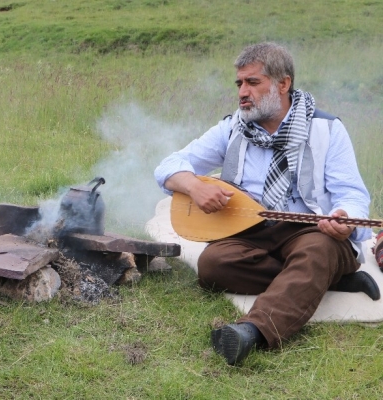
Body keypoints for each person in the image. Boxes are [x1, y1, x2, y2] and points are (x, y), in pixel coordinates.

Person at [154, 42, 380, 365]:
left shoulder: (327, 129)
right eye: (239, 83)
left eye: (252, 82)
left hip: (312, 232)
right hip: (250, 231)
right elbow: (168, 166)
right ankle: (323, 278)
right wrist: (194, 186)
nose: (242, 92)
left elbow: (352, 194)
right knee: (213, 265)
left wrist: (345, 218)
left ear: (283, 84)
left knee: (317, 252)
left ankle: (251, 333)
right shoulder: (232, 128)